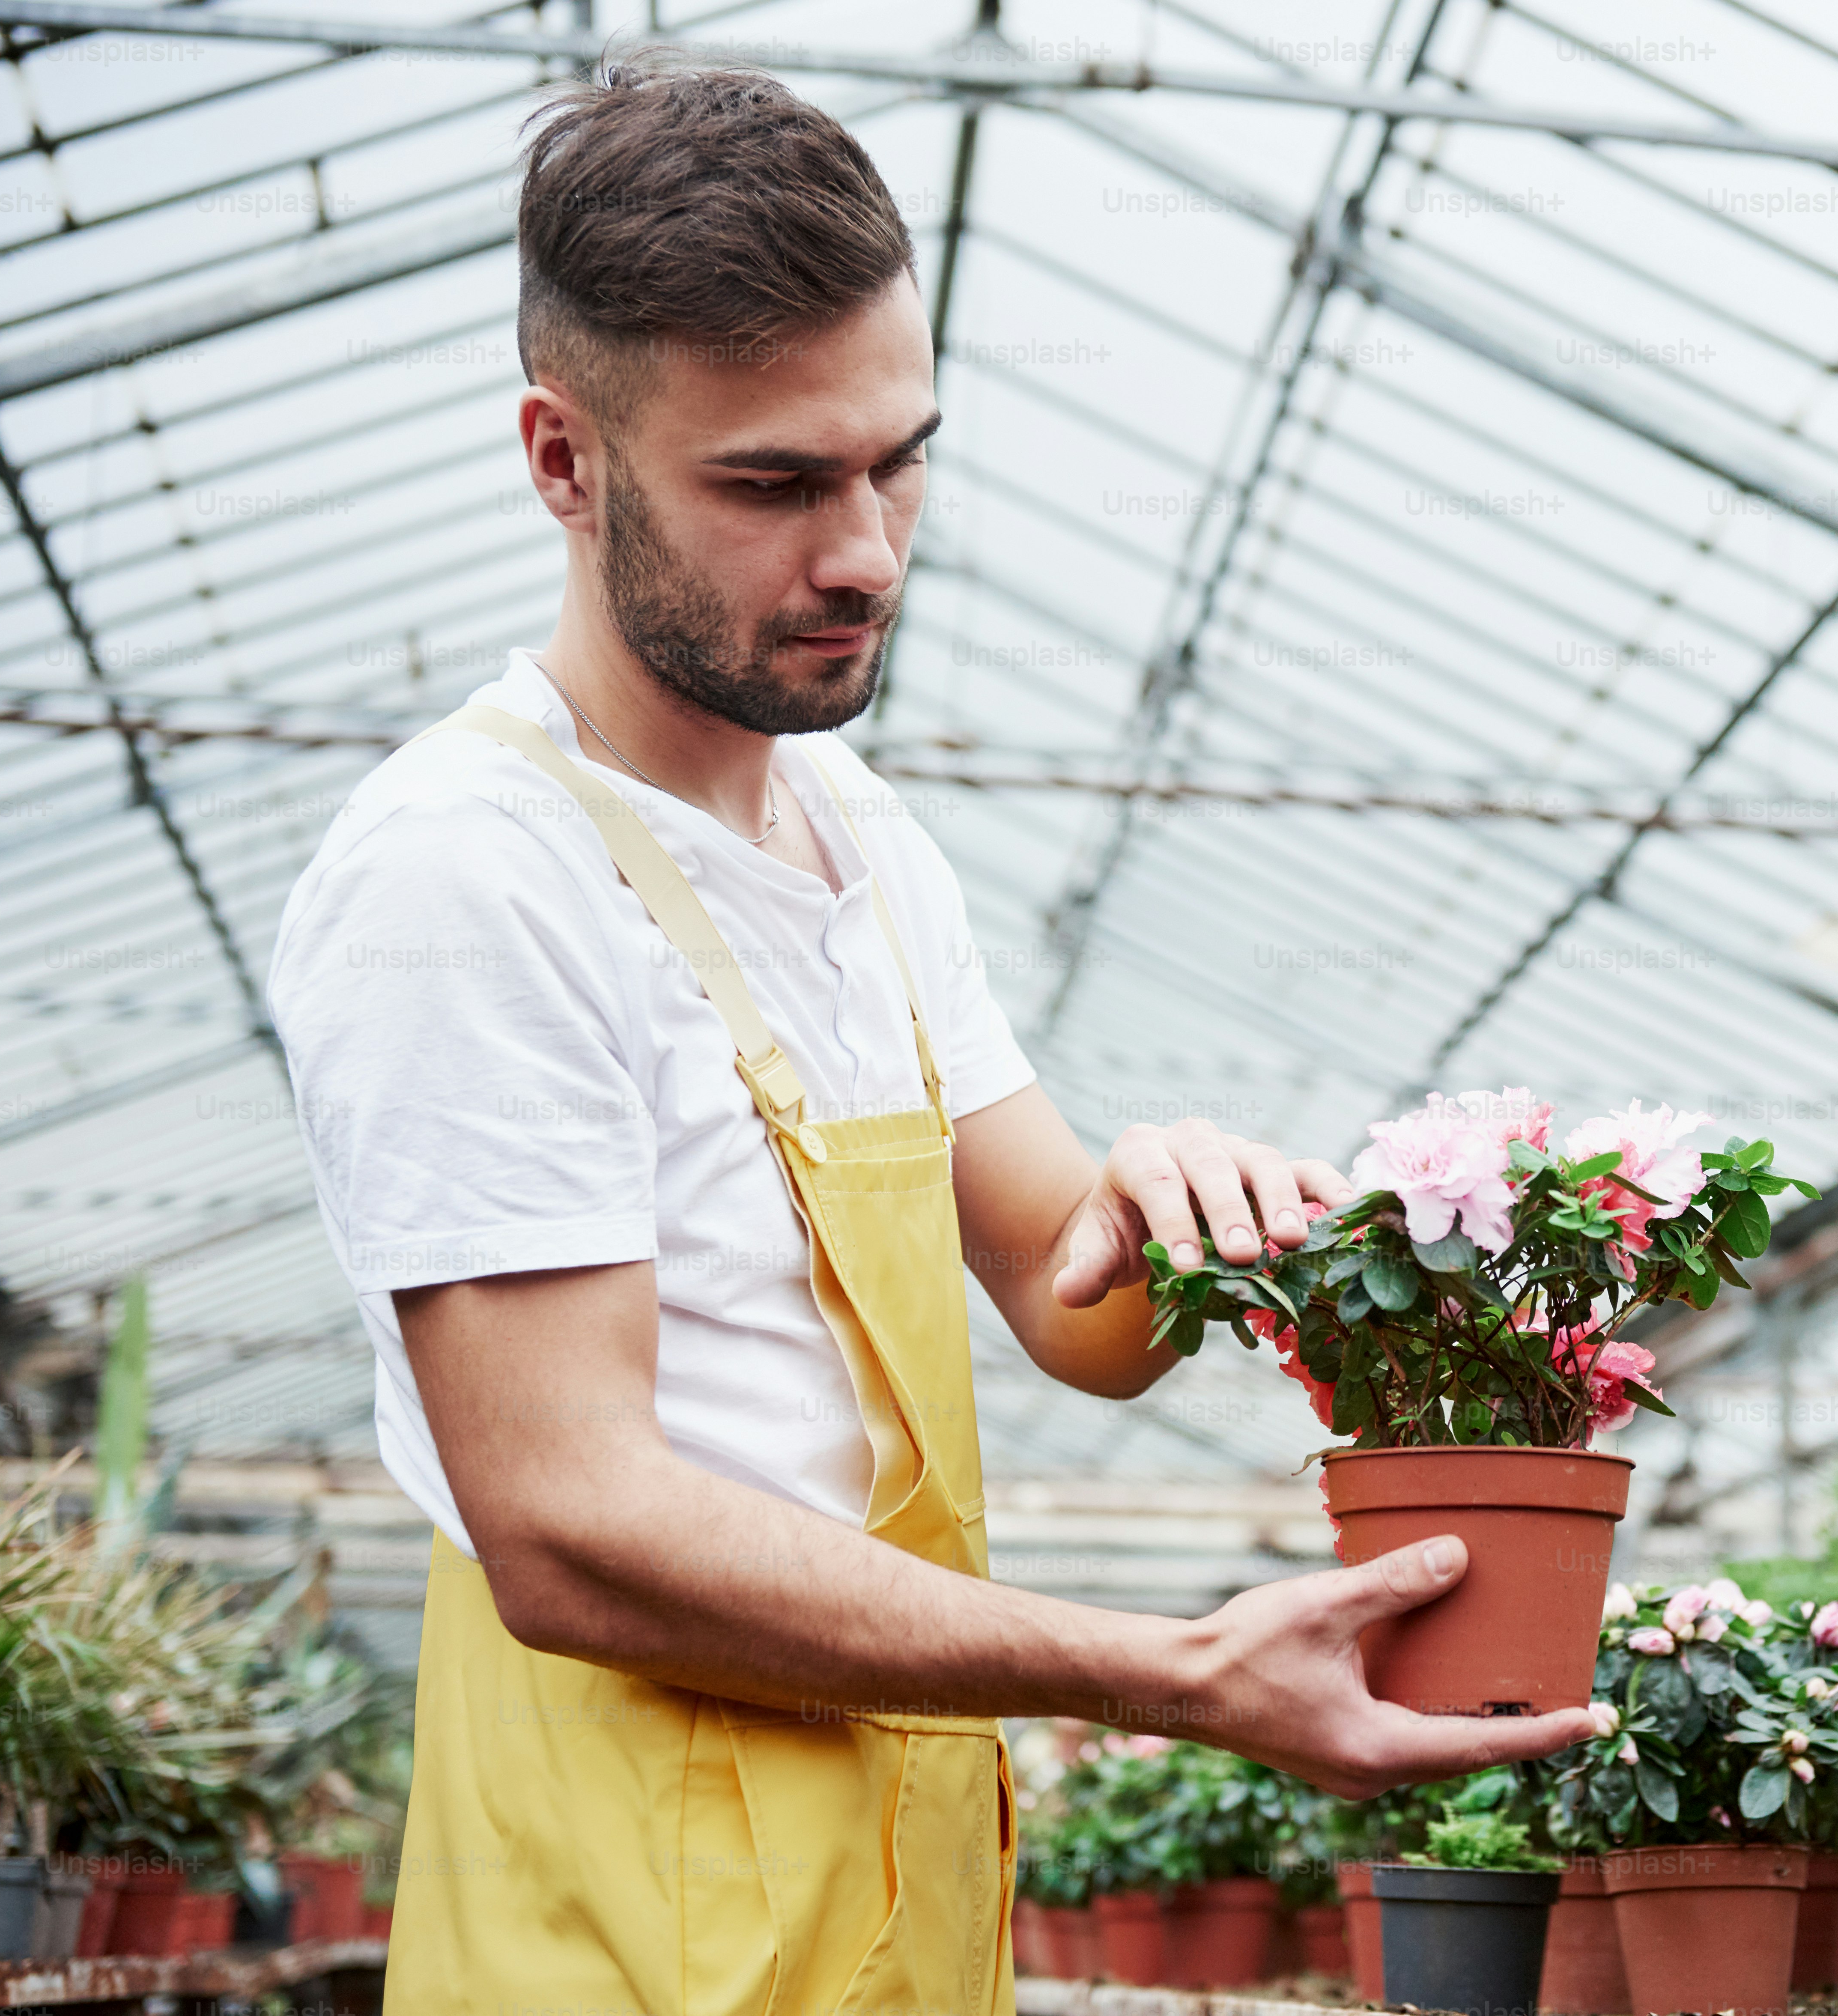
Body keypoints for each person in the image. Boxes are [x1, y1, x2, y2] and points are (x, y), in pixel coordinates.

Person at [267, 56, 1585, 2016]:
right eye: (776, 484)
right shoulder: (472, 874)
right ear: (564, 459)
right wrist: (1167, 1671)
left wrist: (1164, 1199)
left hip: (893, 1902)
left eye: (902, 459)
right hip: (628, 1922)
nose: (869, 549)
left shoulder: (852, 834)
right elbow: (570, 1530)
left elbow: (1075, 1304)